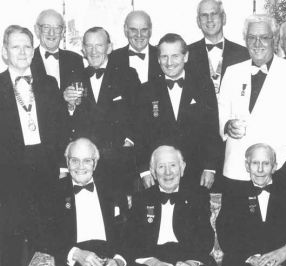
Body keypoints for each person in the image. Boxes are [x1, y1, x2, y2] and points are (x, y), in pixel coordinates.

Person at [0, 25, 67, 266]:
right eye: (16, 46)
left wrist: (61, 168)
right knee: (11, 246)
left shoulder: (48, 83)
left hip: (46, 172)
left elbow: (61, 129)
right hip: (10, 177)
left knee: (47, 243)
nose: (23, 51)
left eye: (27, 45)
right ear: (5, 52)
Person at [218, 14, 286, 190]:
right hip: (237, 168)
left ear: (274, 40)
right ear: (245, 40)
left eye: (264, 38)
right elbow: (222, 111)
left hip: (277, 168)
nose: (257, 43)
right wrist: (227, 126)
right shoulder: (232, 72)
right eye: (252, 38)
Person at [122, 145, 217, 266]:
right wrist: (154, 264)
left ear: (182, 168)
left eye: (173, 165)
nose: (168, 173)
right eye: (161, 167)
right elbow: (132, 240)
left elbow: (206, 238)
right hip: (153, 259)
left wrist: (191, 264)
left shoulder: (198, 195)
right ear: (153, 172)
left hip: (187, 257)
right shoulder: (141, 198)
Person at [135, 33, 221, 190]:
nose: (169, 62)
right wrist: (144, 171)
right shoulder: (146, 90)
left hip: (196, 171)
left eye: (175, 56)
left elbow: (211, 129)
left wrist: (210, 167)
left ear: (186, 56)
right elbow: (140, 135)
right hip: (160, 175)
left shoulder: (203, 85)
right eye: (164, 56)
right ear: (158, 59)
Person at [217, 143, 286, 266]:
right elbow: (225, 234)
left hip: (277, 262)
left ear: (274, 166)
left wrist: (285, 251)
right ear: (247, 165)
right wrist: (251, 257)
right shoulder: (233, 195)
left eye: (265, 163)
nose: (259, 169)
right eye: (255, 163)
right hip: (241, 261)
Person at [44, 138, 127, 266]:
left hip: (110, 262)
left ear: (95, 164)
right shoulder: (53, 193)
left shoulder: (113, 190)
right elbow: (44, 235)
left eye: (87, 161)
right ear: (67, 163)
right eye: (74, 161)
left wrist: (118, 261)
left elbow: (128, 231)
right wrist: (75, 253)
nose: (80, 167)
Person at [63, 27, 140, 190]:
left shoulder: (128, 74)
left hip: (119, 158)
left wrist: (129, 141)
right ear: (83, 49)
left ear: (109, 47)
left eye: (99, 45)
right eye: (89, 46)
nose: (94, 51)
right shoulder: (74, 76)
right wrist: (69, 105)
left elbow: (140, 112)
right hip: (86, 163)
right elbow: (66, 122)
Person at [188, 0, 249, 94]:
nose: (209, 19)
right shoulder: (187, 53)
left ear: (223, 18)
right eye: (204, 15)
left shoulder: (243, 54)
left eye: (214, 14)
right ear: (198, 21)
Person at [32, 9, 85, 93]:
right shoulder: (27, 59)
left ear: (63, 32)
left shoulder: (75, 59)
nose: (51, 33)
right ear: (37, 30)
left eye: (57, 28)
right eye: (46, 27)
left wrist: (72, 103)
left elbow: (82, 98)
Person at [110, 10, 162, 84]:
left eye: (144, 30)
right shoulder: (113, 58)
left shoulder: (162, 55)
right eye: (133, 30)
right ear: (125, 30)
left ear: (150, 30)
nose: (139, 35)